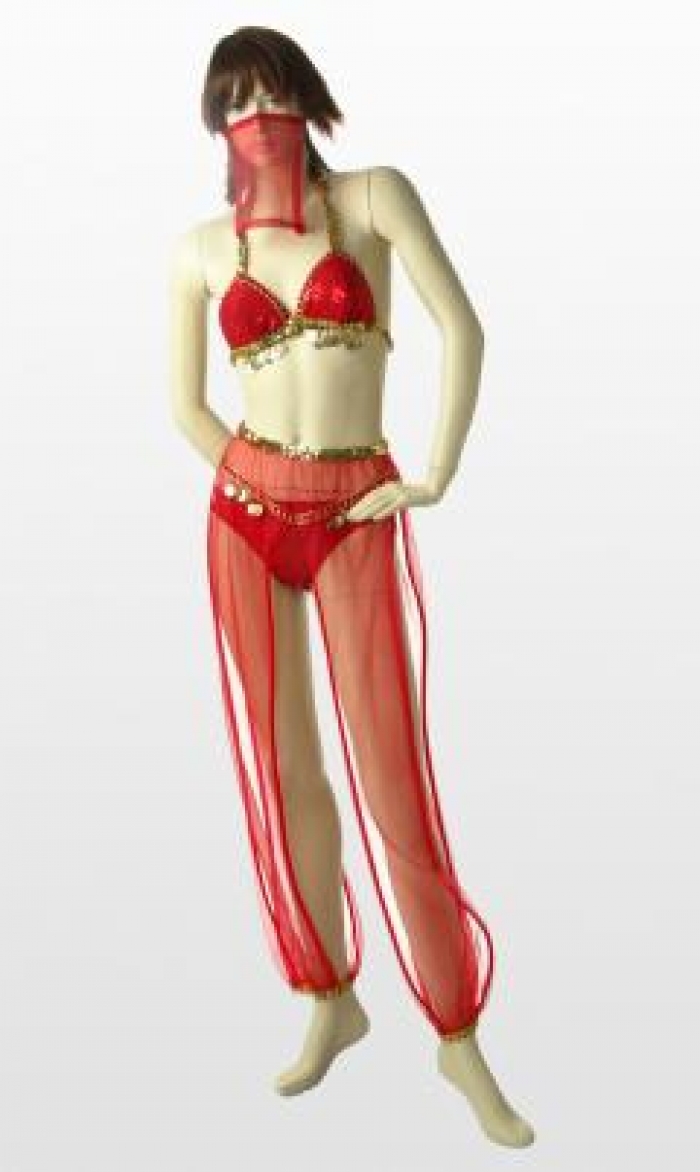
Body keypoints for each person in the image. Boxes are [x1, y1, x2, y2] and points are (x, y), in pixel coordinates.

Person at [169, 25, 534, 1147]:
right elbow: (184, 404)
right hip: (245, 519)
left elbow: (462, 326)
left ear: (308, 98)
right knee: (285, 772)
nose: (255, 116)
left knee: (390, 778)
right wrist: (249, 481)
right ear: (216, 121)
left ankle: (457, 1033)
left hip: (355, 510)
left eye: (269, 92)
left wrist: (434, 473)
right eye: (233, 102)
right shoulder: (199, 250)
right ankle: (330, 994)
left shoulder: (374, 198)